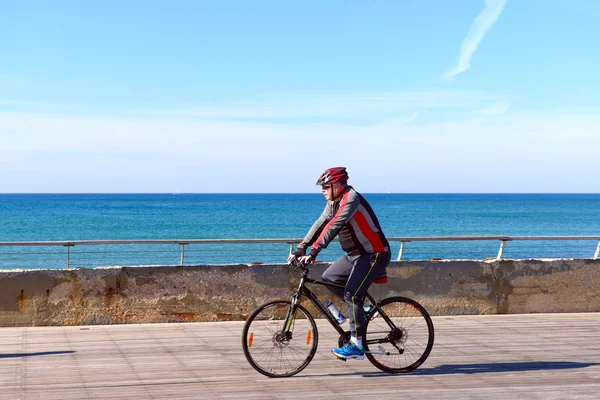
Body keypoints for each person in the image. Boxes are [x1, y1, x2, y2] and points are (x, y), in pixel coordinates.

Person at [288, 167, 391, 360]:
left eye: (326, 186)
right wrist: (302, 247)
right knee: (330, 277)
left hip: (373, 254)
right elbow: (321, 223)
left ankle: (357, 345)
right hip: (354, 255)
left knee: (352, 294)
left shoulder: (351, 198)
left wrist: (315, 250)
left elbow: (334, 225)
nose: (322, 190)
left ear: (337, 185)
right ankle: (364, 310)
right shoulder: (334, 201)